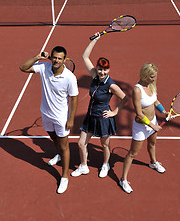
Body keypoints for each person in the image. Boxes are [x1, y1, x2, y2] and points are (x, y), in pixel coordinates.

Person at [19, 46, 79, 194]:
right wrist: (37, 57)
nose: (56, 60)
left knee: (64, 145)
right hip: (46, 113)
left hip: (61, 117)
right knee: (54, 139)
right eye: (54, 57)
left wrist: (71, 118)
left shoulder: (70, 77)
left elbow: (75, 98)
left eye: (60, 58)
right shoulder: (44, 67)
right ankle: (58, 155)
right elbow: (23, 68)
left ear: (65, 59)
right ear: (50, 57)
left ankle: (64, 177)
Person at [71, 33, 127, 178]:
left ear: (108, 70)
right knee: (81, 143)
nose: (102, 72)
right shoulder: (95, 76)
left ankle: (105, 164)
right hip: (90, 116)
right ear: (96, 68)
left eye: (105, 70)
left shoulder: (111, 85)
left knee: (104, 145)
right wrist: (95, 40)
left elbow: (125, 98)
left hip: (103, 118)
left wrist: (114, 112)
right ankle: (84, 166)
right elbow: (85, 57)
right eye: (100, 69)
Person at [119, 63, 168, 194]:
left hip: (153, 121)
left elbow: (155, 101)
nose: (154, 79)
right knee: (133, 153)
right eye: (152, 77)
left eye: (154, 77)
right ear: (145, 76)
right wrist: (153, 126)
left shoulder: (151, 85)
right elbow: (139, 114)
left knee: (152, 144)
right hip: (141, 126)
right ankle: (123, 179)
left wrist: (163, 112)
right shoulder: (137, 90)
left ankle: (153, 162)